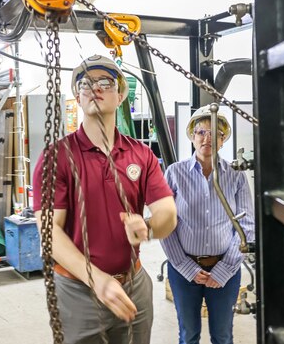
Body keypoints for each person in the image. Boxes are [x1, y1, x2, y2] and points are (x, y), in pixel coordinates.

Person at [33, 54, 177, 344]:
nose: (94, 88)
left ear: (121, 94)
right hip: (78, 292)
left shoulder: (141, 155)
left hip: (133, 284)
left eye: (104, 82)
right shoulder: (57, 157)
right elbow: (49, 234)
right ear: (77, 96)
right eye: (85, 83)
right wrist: (97, 278)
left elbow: (168, 215)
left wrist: (148, 228)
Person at [160, 106, 255, 344]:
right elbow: (165, 224)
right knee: (188, 334)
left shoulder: (235, 176)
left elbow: (247, 226)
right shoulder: (174, 173)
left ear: (223, 140)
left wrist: (225, 268)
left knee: (222, 335)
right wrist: (184, 265)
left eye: (215, 134)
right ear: (192, 136)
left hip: (225, 268)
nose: (207, 138)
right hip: (184, 270)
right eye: (201, 132)